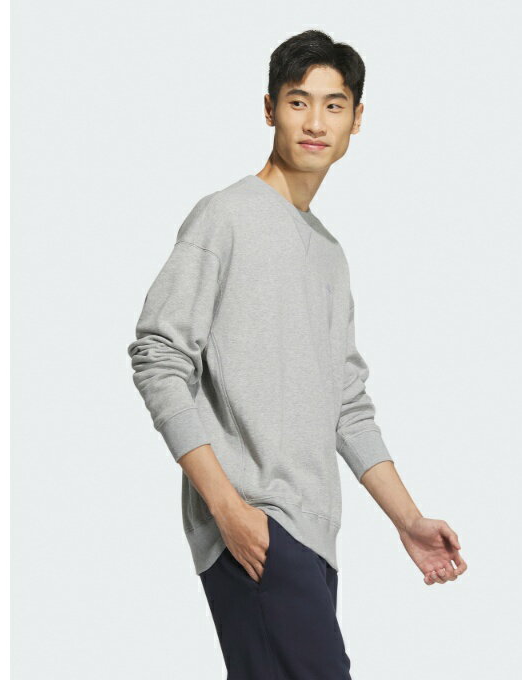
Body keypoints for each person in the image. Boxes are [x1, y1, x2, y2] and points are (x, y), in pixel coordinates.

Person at [127, 29, 467, 680]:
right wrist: (229, 509)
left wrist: (408, 521)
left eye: (333, 105)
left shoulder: (328, 254)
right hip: (256, 525)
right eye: (298, 102)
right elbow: (159, 356)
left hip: (312, 536)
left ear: (356, 119)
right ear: (269, 109)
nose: (315, 122)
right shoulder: (225, 216)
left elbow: (347, 404)